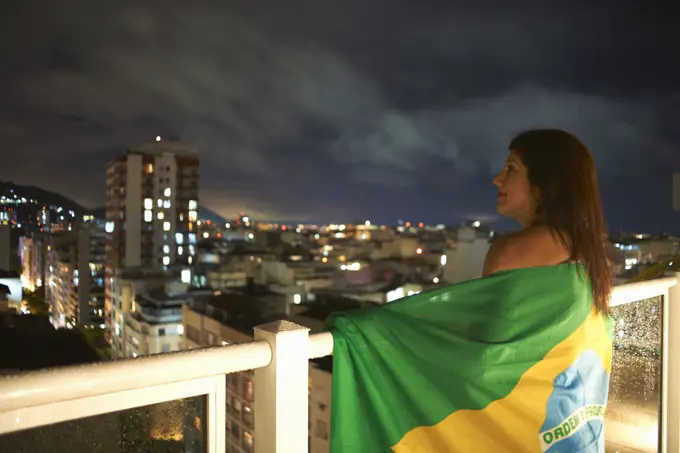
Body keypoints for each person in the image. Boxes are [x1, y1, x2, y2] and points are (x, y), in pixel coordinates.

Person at [483, 128, 612, 314]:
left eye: (511, 168)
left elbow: (486, 331)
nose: (497, 179)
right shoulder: (587, 248)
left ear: (545, 181)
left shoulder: (509, 251)